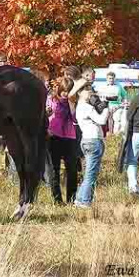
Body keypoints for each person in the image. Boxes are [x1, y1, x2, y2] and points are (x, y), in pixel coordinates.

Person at [74, 87, 111, 208]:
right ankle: (84, 200)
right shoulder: (87, 107)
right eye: (87, 91)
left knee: (89, 172)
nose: (90, 93)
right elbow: (101, 120)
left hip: (86, 140)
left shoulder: (79, 107)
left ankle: (80, 198)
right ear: (80, 93)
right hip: (94, 140)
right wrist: (106, 108)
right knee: (91, 174)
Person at [47, 77, 78, 205]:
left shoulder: (73, 102)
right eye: (64, 90)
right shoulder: (52, 99)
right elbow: (46, 114)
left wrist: (71, 103)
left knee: (72, 169)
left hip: (69, 137)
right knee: (54, 169)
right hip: (54, 136)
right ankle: (57, 200)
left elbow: (75, 119)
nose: (65, 93)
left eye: (68, 91)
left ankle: (71, 199)